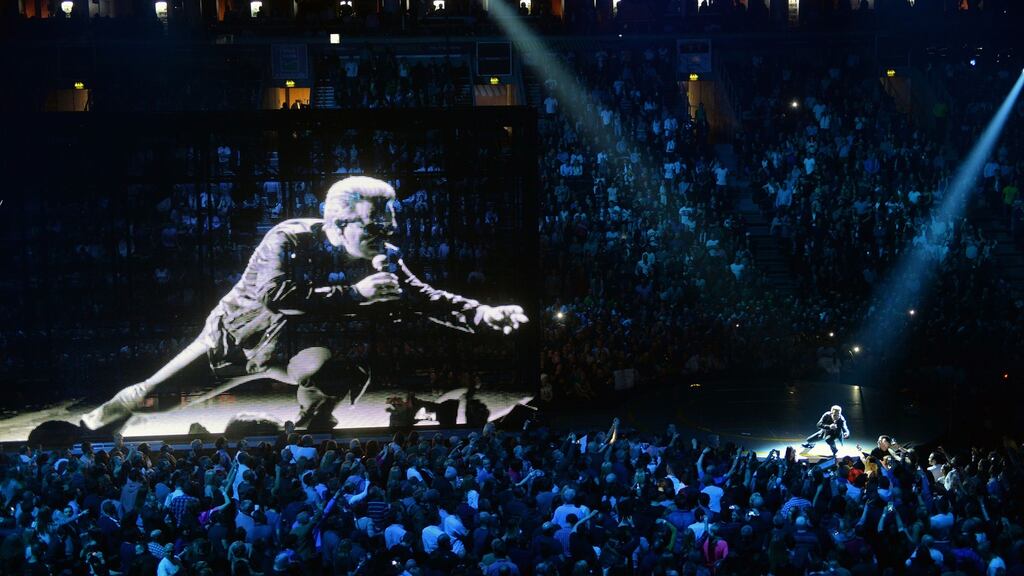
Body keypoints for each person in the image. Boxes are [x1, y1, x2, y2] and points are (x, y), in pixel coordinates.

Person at [80, 176, 528, 433]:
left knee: (339, 371)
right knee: (153, 400)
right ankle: (91, 425)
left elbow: (423, 297)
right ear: (337, 225)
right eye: (373, 231)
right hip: (235, 342)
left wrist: (481, 313)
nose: (384, 243)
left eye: (389, 231)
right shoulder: (289, 237)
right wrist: (354, 295)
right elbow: (277, 299)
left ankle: (310, 424)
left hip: (291, 352)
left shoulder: (382, 257)